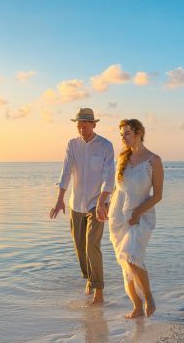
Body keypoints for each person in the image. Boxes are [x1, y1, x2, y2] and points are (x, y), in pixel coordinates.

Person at [49, 108, 115, 306]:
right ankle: (89, 279)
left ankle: (99, 292)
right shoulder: (72, 144)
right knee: (80, 248)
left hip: (98, 204)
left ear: (94, 124)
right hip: (76, 203)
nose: (82, 127)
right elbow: (66, 171)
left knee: (91, 246)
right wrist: (60, 198)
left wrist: (104, 199)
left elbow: (109, 175)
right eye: (79, 124)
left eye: (85, 124)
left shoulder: (105, 145)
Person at [104, 118, 163, 318]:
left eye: (127, 133)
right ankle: (136, 306)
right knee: (124, 263)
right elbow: (116, 188)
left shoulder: (154, 161)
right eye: (121, 134)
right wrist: (104, 204)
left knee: (131, 258)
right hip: (118, 217)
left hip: (141, 217)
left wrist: (137, 212)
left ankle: (148, 296)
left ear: (138, 132)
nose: (123, 138)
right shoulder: (122, 158)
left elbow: (158, 195)